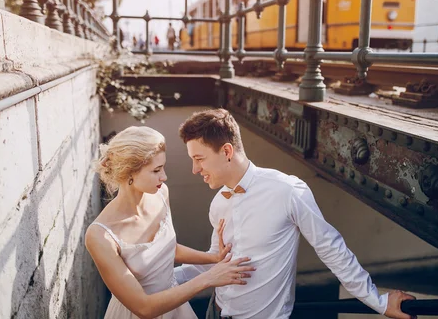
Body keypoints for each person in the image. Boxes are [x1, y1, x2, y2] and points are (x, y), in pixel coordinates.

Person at [175, 109, 416, 319]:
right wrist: (155, 278)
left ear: (227, 151)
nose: (195, 169)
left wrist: (378, 302)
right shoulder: (218, 203)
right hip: (215, 312)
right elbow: (214, 261)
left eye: (199, 159)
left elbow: (331, 249)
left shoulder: (288, 191)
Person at [85, 126, 255, 319]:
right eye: (156, 170)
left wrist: (214, 258)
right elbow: (144, 308)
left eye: (163, 167)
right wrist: (209, 278)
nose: (164, 177)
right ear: (129, 172)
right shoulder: (99, 235)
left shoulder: (161, 193)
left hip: (177, 310)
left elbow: (167, 249)